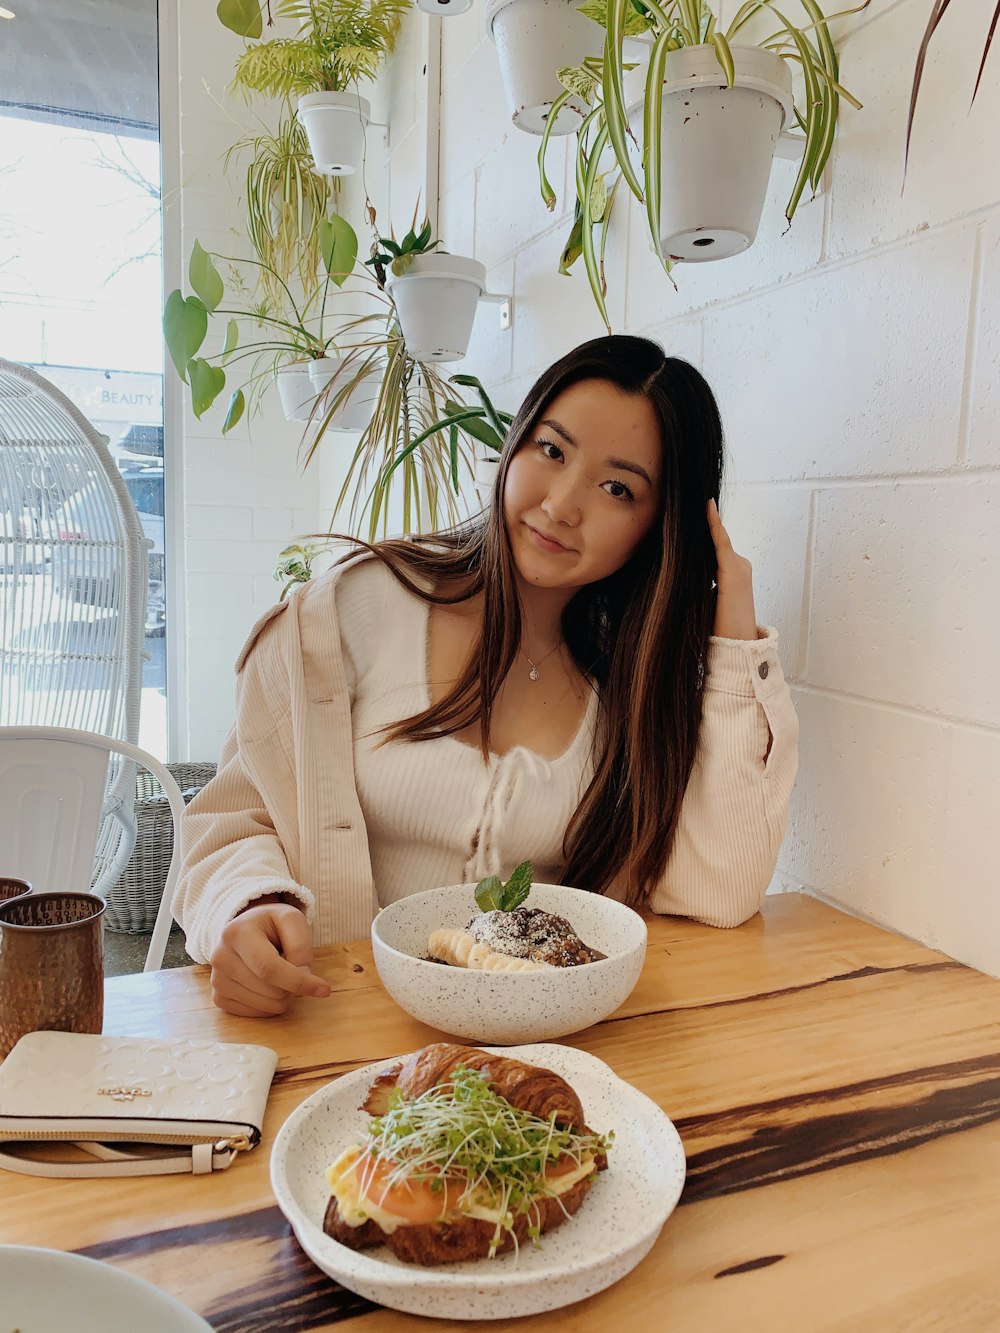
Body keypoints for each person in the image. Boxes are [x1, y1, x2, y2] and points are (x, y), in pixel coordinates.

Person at [175, 335, 798, 1017]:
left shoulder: (632, 690)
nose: (562, 503)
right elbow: (233, 814)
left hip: (539, 1057)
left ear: (660, 526)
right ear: (516, 443)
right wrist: (252, 904)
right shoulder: (354, 609)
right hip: (337, 1030)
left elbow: (720, 890)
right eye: (552, 450)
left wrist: (732, 642)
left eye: (617, 487)